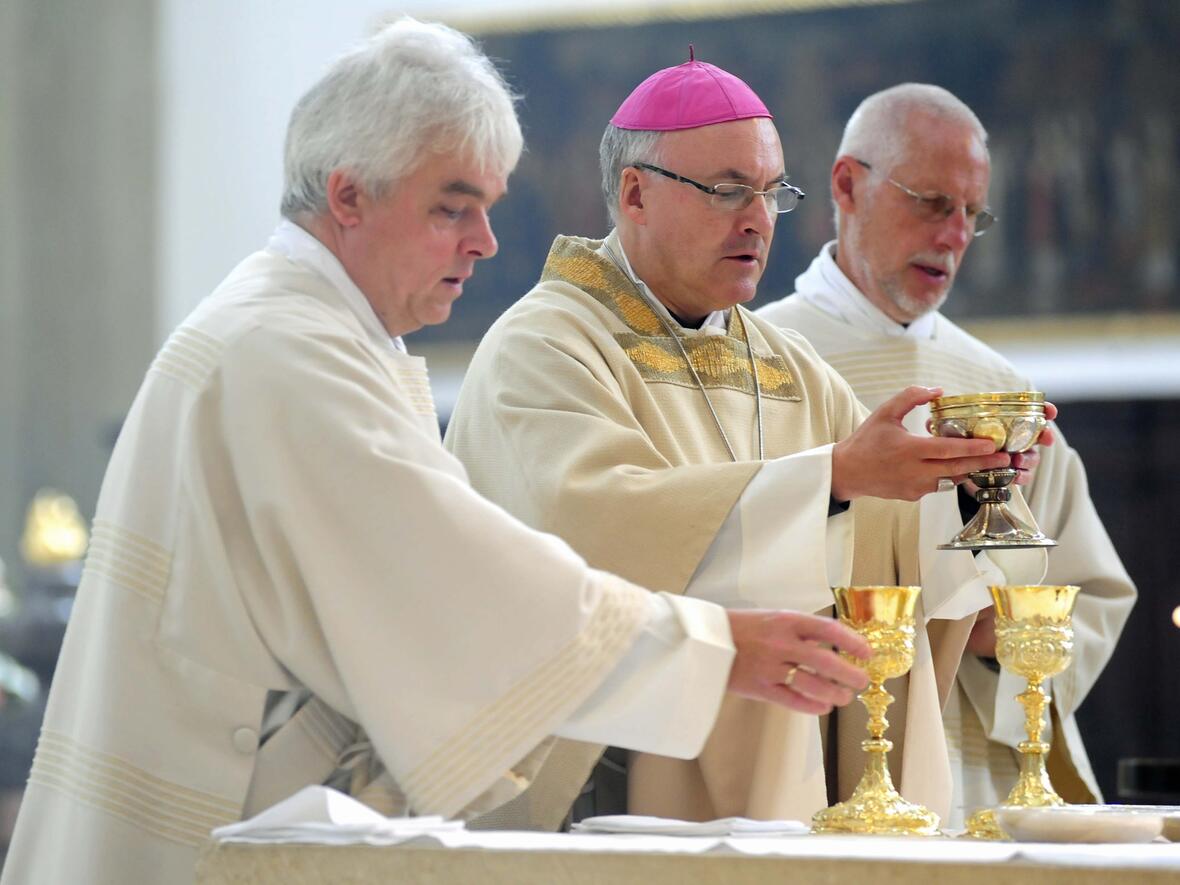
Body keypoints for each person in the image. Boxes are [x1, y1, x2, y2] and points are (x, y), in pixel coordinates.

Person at [0, 22, 883, 885]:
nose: (486, 242)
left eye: (488, 208)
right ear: (348, 196)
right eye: (452, 207)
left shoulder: (317, 328)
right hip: (205, 829)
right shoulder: (285, 349)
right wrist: (712, 645)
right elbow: (457, 577)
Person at [445, 56, 1047, 827]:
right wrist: (831, 477)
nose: (759, 218)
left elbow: (874, 562)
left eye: (771, 193)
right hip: (606, 787)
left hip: (781, 792)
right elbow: (593, 525)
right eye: (730, 190)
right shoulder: (544, 346)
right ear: (635, 193)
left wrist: (960, 493)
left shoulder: (791, 367)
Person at [755, 83, 1135, 826]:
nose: (955, 234)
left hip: (978, 790)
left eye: (973, 213)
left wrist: (1004, 637)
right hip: (815, 767)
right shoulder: (765, 361)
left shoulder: (1003, 392)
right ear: (846, 185)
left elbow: (1091, 592)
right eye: (931, 202)